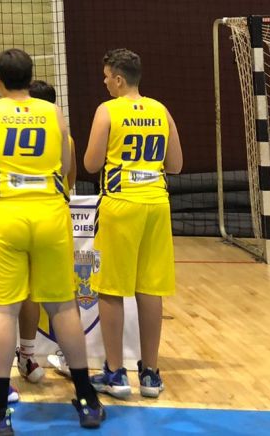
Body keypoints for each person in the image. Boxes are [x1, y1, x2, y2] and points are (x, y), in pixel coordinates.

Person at [0, 49, 104, 432]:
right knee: (63, 306)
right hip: (50, 213)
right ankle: (87, 401)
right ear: (30, 77)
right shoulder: (53, 112)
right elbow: (65, 165)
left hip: (6, 213)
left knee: (2, 310)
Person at [83, 49, 183, 401]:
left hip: (121, 203)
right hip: (156, 204)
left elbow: (91, 164)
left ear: (119, 79)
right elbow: (176, 165)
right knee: (150, 289)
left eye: (106, 76)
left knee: (111, 289)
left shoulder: (107, 110)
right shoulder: (161, 110)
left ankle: (115, 373)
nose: (104, 82)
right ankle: (151, 374)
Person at [15, 77, 67, 384]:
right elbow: (68, 178)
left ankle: (21, 359)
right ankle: (62, 359)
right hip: (54, 217)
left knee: (16, 297)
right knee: (59, 297)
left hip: (15, 216)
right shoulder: (62, 135)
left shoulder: (3, 126)